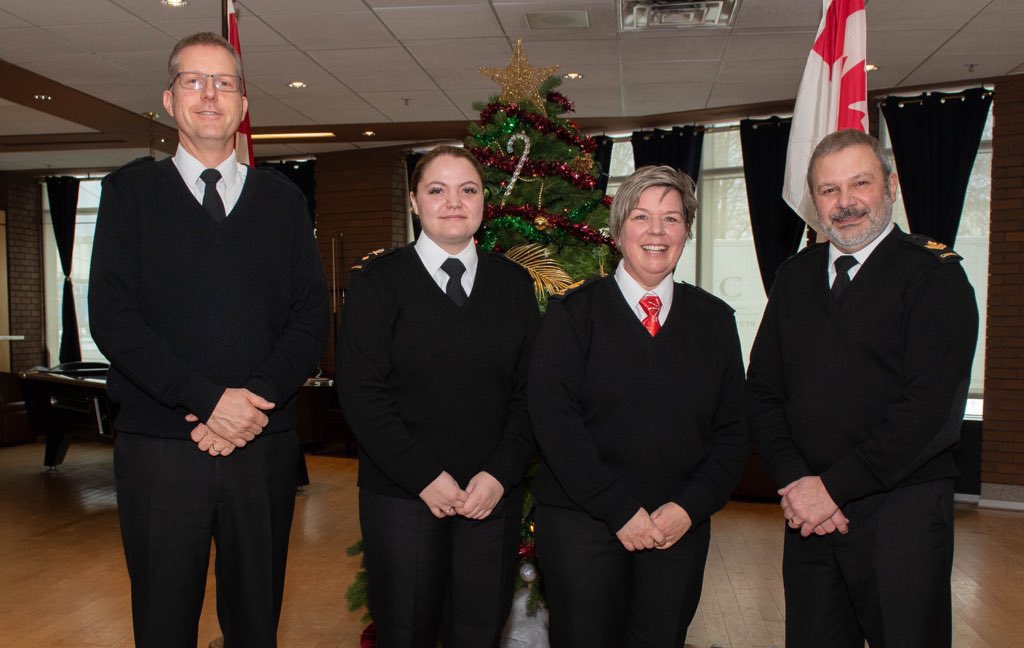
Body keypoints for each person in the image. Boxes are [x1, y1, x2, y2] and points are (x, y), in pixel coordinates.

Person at [88, 31, 329, 648]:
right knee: (163, 624)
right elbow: (113, 319)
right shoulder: (128, 195)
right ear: (170, 100)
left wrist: (249, 404)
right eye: (193, 81)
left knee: (255, 624)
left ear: (243, 104)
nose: (210, 94)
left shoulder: (283, 201)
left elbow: (310, 318)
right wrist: (207, 400)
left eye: (224, 82)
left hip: (261, 446)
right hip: (160, 450)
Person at [746, 129, 978, 648]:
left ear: (890, 186)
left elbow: (929, 411)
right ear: (814, 201)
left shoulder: (934, 277)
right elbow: (762, 391)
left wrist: (831, 489)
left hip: (900, 516)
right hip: (808, 516)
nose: (845, 202)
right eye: (829, 190)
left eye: (860, 183)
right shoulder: (794, 279)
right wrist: (797, 482)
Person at [528, 165, 749, 648]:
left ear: (686, 232)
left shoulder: (715, 322)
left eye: (671, 219)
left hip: (678, 528)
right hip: (582, 527)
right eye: (641, 217)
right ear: (618, 229)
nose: (656, 231)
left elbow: (734, 432)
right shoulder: (572, 315)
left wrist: (689, 509)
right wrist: (618, 509)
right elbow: (554, 423)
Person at [337, 145, 539, 647]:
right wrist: (424, 477)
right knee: (405, 633)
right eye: (436, 189)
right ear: (413, 201)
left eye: (468, 189)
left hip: (490, 497)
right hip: (401, 498)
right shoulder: (376, 283)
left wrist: (500, 475)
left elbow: (531, 393)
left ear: (484, 201)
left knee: (479, 633)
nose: (454, 202)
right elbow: (362, 395)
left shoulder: (514, 284)